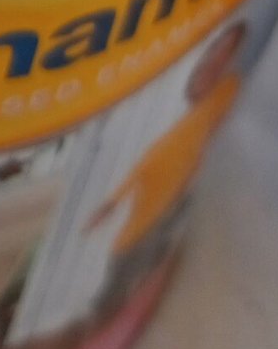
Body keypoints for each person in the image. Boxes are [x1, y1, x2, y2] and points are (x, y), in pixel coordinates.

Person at [86, 19, 249, 313]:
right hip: (148, 208)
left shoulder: (225, 93)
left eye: (226, 52)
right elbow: (146, 163)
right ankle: (108, 310)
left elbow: (211, 142)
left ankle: (117, 308)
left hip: (170, 204)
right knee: (122, 267)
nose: (215, 61)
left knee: (136, 269)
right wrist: (112, 202)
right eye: (215, 51)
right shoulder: (180, 118)